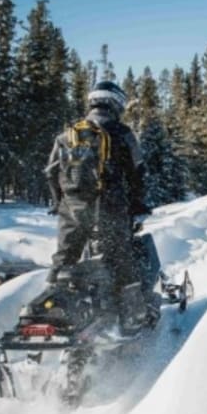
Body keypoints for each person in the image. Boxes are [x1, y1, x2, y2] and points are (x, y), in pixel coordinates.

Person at [45, 80, 151, 333]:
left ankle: (50, 308)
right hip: (108, 208)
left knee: (64, 260)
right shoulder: (122, 133)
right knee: (121, 259)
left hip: (71, 210)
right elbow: (137, 173)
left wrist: (58, 202)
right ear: (116, 103)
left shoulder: (67, 135)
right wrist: (138, 206)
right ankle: (131, 318)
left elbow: (50, 172)